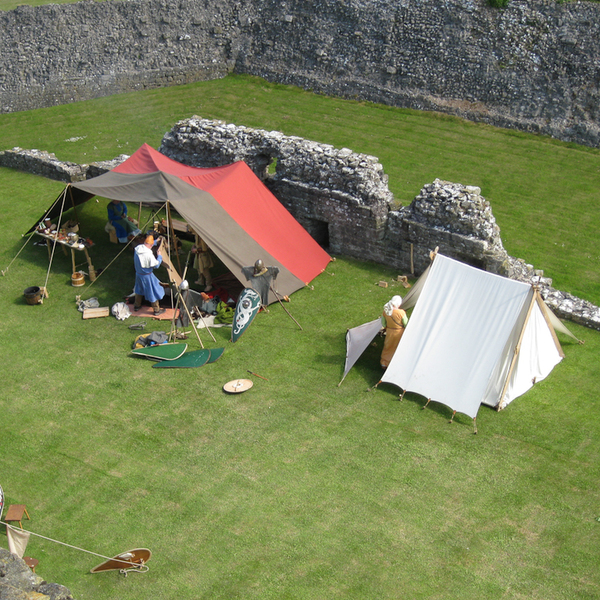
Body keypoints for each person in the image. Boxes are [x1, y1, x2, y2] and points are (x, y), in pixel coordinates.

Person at [133, 235, 166, 315]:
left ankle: (137, 305)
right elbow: (156, 265)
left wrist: (156, 241)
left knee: (139, 289)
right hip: (147, 276)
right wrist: (159, 256)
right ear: (151, 245)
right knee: (152, 291)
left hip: (138, 274)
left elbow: (147, 244)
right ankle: (156, 310)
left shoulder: (138, 248)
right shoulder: (148, 254)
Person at [380, 295, 408, 369]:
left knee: (388, 347)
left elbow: (383, 323)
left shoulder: (385, 311)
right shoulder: (401, 312)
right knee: (397, 348)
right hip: (399, 332)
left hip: (389, 331)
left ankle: (384, 362)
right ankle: (395, 364)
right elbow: (406, 323)